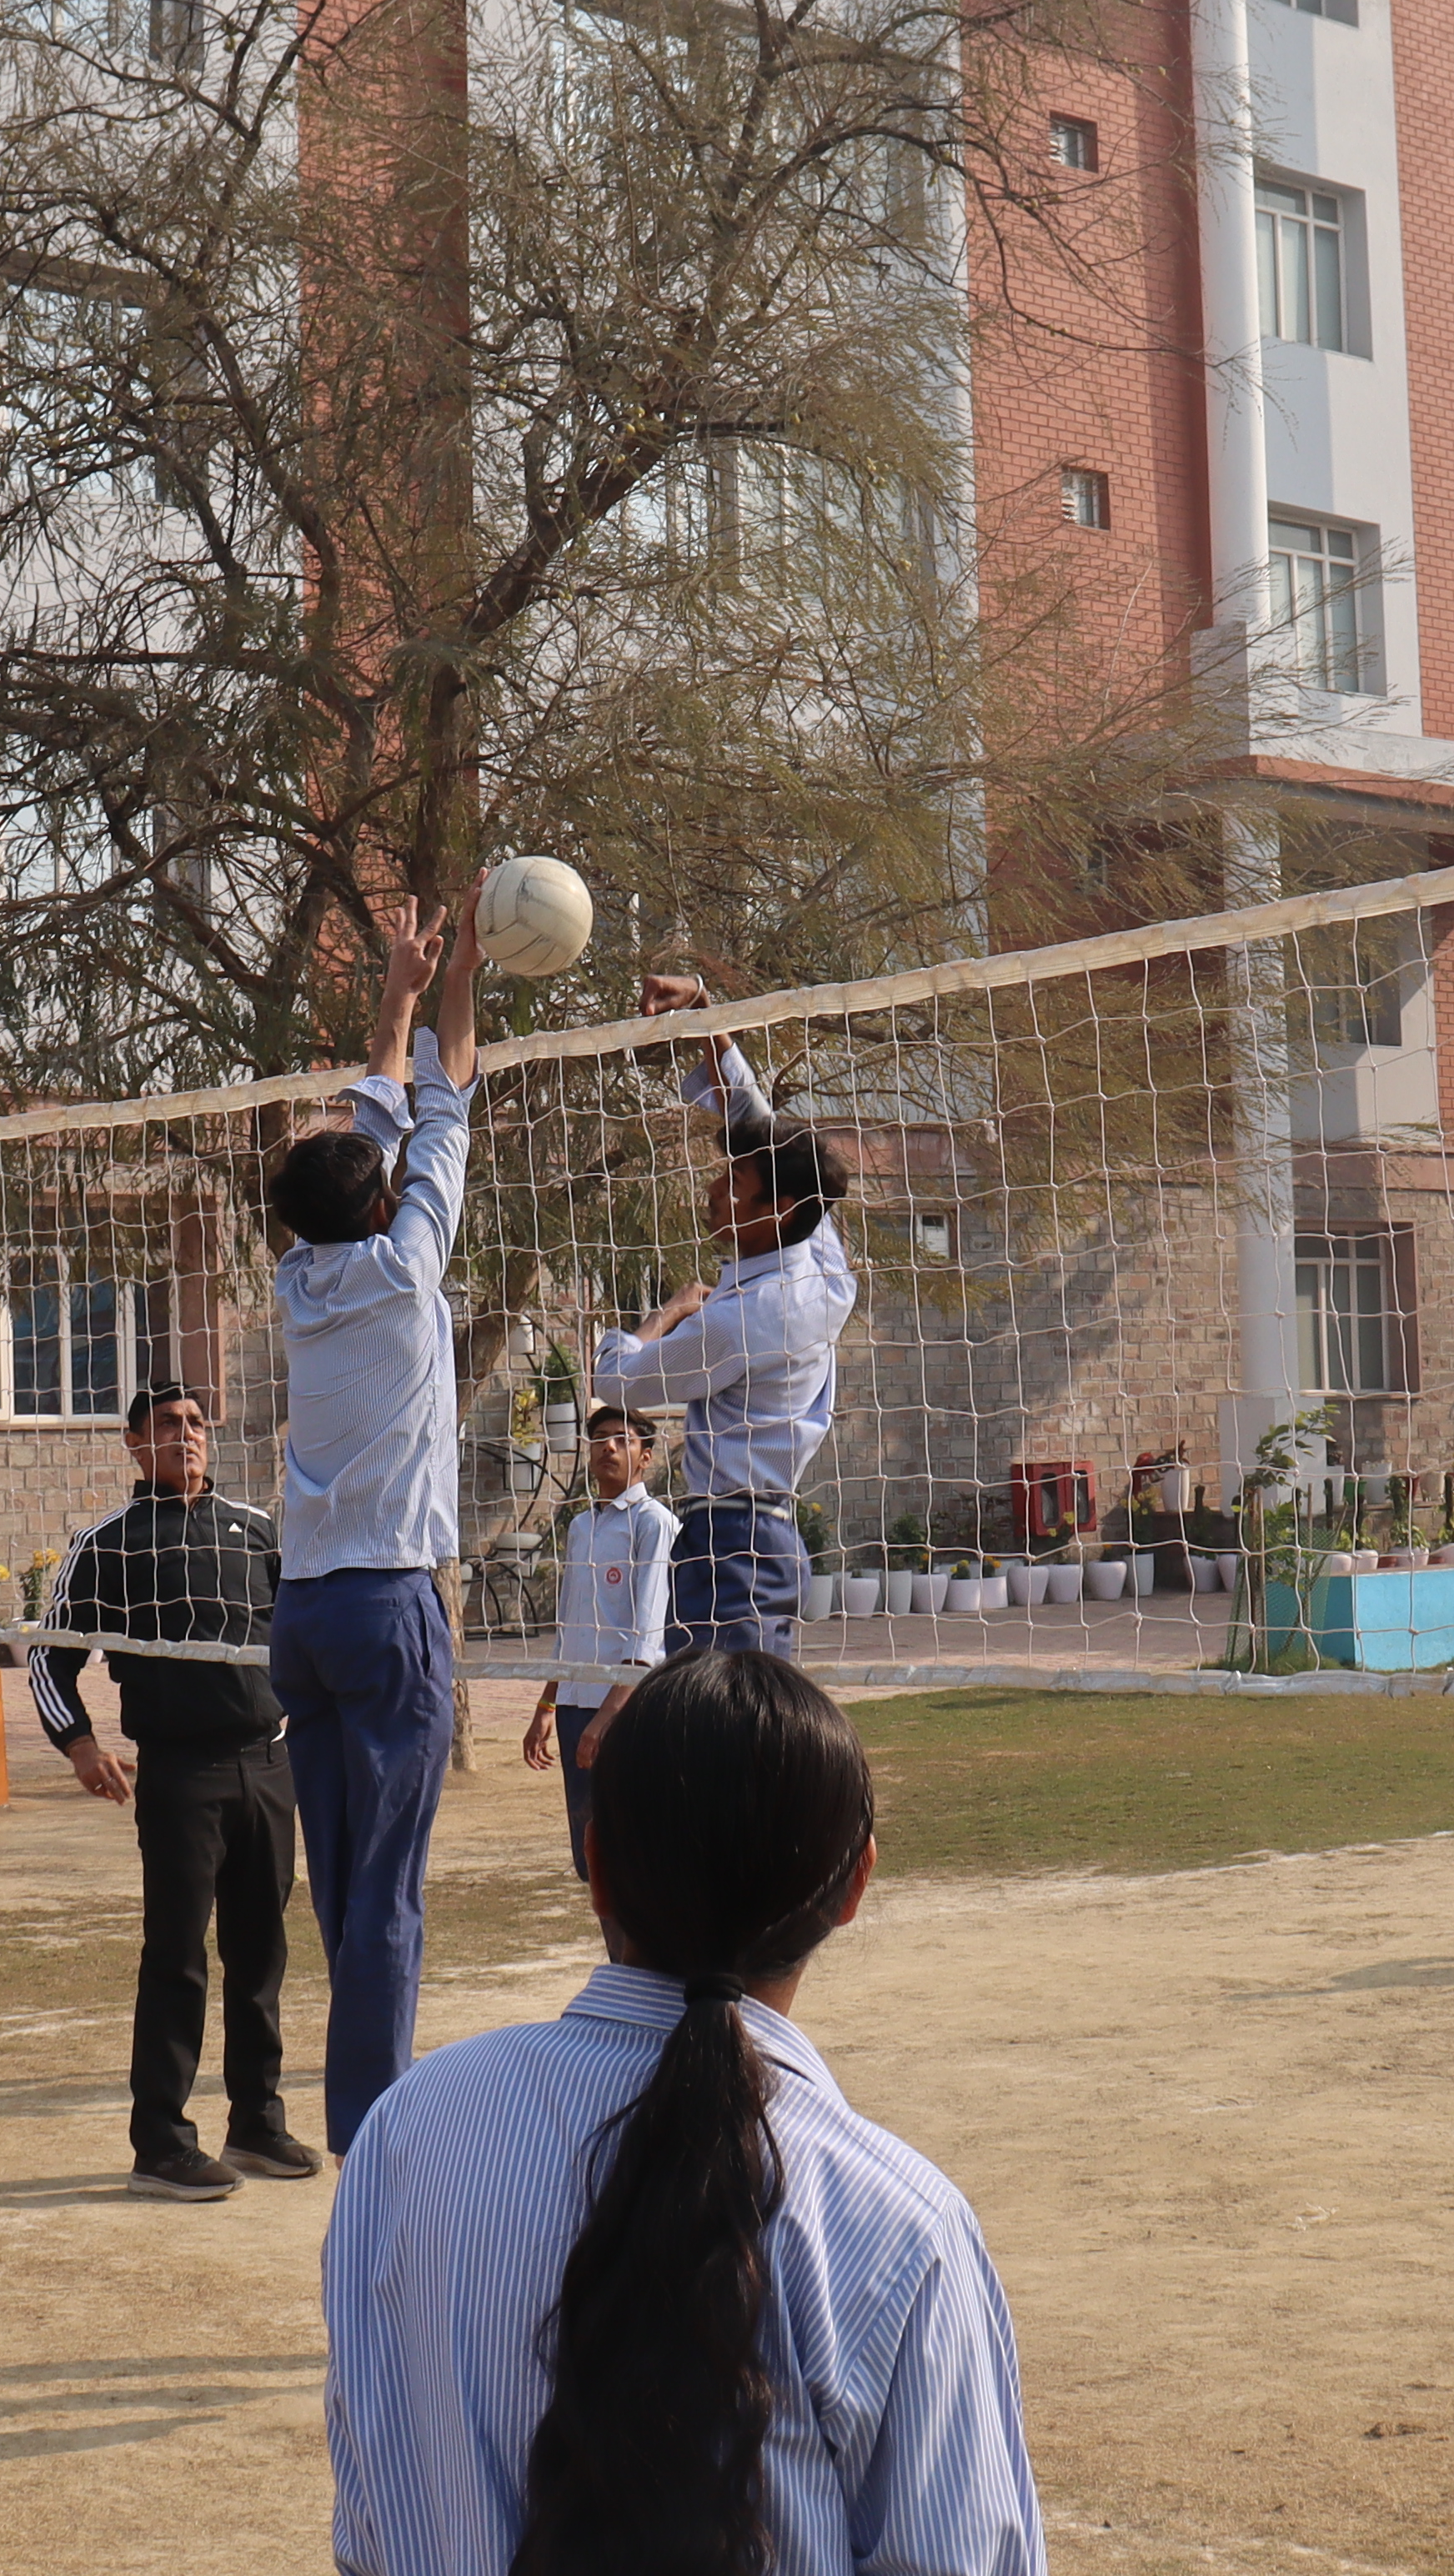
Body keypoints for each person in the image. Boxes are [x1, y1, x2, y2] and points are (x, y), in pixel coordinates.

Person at [321, 1648, 1040, 2576]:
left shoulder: (411, 2132)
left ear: (597, 1868)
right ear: (855, 1883)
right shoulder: (896, 2224)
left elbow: (370, 2517)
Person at [268, 895, 485, 2155]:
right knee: (387, 1891)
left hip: (305, 1614)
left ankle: (360, 2091)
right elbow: (437, 1105)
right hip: (391, 1603)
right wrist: (455, 980)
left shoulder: (299, 1279)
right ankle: (373, 2125)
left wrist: (403, 997)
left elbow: (382, 1115)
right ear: (384, 1198)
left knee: (347, 1880)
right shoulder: (410, 1263)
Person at [31, 1381, 313, 2202]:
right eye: (166, 1425)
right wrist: (80, 1744)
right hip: (180, 1773)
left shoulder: (257, 1530)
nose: (186, 1436)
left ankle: (256, 2118)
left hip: (268, 1766)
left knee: (261, 1951)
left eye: (196, 1423)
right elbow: (50, 1657)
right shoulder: (109, 1542)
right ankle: (161, 2138)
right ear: (133, 1441)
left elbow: (297, 1641)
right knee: (178, 1955)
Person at [589, 972, 857, 1657]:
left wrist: (664, 1316)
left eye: (733, 1184)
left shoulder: (738, 1323)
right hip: (759, 1537)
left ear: (776, 1210)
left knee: (729, 1733)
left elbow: (618, 1384)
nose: (712, 1192)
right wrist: (708, 1016)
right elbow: (752, 1116)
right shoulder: (821, 1264)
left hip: (730, 1546)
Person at [519, 1401, 677, 1879]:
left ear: (645, 1456)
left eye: (622, 1439)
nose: (608, 1447)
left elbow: (646, 1633)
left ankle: (648, 1953)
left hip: (626, 1708)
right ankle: (616, 1953)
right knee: (591, 1856)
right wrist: (547, 1707)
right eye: (599, 1439)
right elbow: (568, 1629)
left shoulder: (653, 1522)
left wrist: (608, 1716)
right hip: (574, 1705)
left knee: (632, 1850)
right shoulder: (582, 1526)